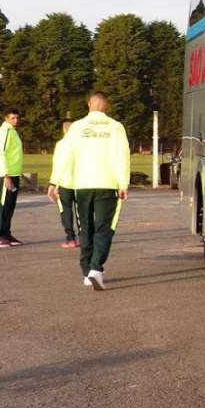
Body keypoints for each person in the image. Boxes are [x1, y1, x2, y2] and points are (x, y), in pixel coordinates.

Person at [53, 92, 130, 291]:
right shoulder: (115, 127)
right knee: (104, 228)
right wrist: (124, 183)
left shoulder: (77, 127)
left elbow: (64, 154)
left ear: (89, 104)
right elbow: (123, 156)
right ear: (107, 106)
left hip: (83, 184)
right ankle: (96, 268)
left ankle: (87, 270)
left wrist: (55, 182)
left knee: (85, 228)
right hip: (108, 184)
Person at [0, 108, 24, 248]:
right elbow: (0, 153)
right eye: (12, 118)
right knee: (3, 206)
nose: (16, 120)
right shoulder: (4, 131)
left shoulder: (12, 131)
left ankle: (7, 234)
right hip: (7, 175)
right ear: (6, 118)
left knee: (10, 207)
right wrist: (5, 175)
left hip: (14, 174)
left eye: (17, 118)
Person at [47, 121, 79, 248]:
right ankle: (84, 237)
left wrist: (53, 184)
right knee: (81, 211)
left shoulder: (61, 144)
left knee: (65, 210)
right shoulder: (82, 144)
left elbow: (58, 165)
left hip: (64, 182)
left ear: (64, 130)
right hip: (80, 182)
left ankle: (70, 238)